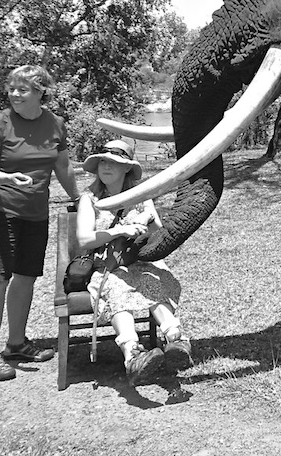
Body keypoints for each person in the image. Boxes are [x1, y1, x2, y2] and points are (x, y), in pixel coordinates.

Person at [0, 65, 79, 381]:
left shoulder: (55, 125)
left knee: (25, 277)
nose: (14, 94)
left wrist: (79, 197)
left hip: (34, 214)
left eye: (23, 89)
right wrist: (6, 178)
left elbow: (63, 166)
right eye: (12, 88)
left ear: (41, 92)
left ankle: (16, 344)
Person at [76, 139, 192, 383]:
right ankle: (133, 354)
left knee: (155, 281)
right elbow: (84, 239)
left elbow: (159, 233)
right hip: (107, 267)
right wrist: (120, 230)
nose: (106, 167)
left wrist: (147, 220)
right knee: (118, 287)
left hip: (140, 263)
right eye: (103, 162)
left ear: (127, 169)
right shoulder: (90, 198)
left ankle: (176, 338)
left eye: (114, 163)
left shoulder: (140, 195)